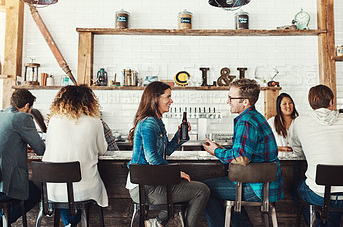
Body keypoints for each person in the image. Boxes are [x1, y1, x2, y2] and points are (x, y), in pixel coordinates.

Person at [126, 81, 210, 227]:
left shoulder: (157, 122)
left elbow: (167, 151)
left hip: (150, 184)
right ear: (156, 98)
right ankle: (159, 222)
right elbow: (152, 158)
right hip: (144, 188)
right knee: (202, 190)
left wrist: (180, 135)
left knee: (192, 187)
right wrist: (175, 173)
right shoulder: (148, 123)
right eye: (168, 97)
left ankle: (157, 222)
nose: (171, 101)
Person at [202, 78, 284, 227]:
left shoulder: (246, 121)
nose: (228, 102)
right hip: (266, 185)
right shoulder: (256, 117)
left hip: (257, 188)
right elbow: (245, 152)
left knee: (203, 189)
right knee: (228, 189)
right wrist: (222, 149)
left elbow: (241, 158)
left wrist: (216, 151)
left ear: (245, 102)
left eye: (231, 98)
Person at [291, 84, 343, 226]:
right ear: (331, 102)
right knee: (331, 195)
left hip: (320, 194)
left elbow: (297, 149)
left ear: (311, 103)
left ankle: (319, 223)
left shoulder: (300, 121)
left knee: (295, 188)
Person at [42, 85, 108, 227]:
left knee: (65, 195)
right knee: (79, 192)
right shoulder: (95, 122)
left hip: (53, 190)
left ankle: (70, 224)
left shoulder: (53, 121)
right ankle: (72, 223)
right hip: (85, 190)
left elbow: (49, 146)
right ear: (90, 102)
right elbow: (102, 149)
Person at [0, 89, 45, 224]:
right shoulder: (22, 117)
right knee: (35, 193)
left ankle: (3, 218)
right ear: (26, 106)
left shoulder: (2, 114)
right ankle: (3, 221)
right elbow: (40, 149)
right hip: (9, 181)